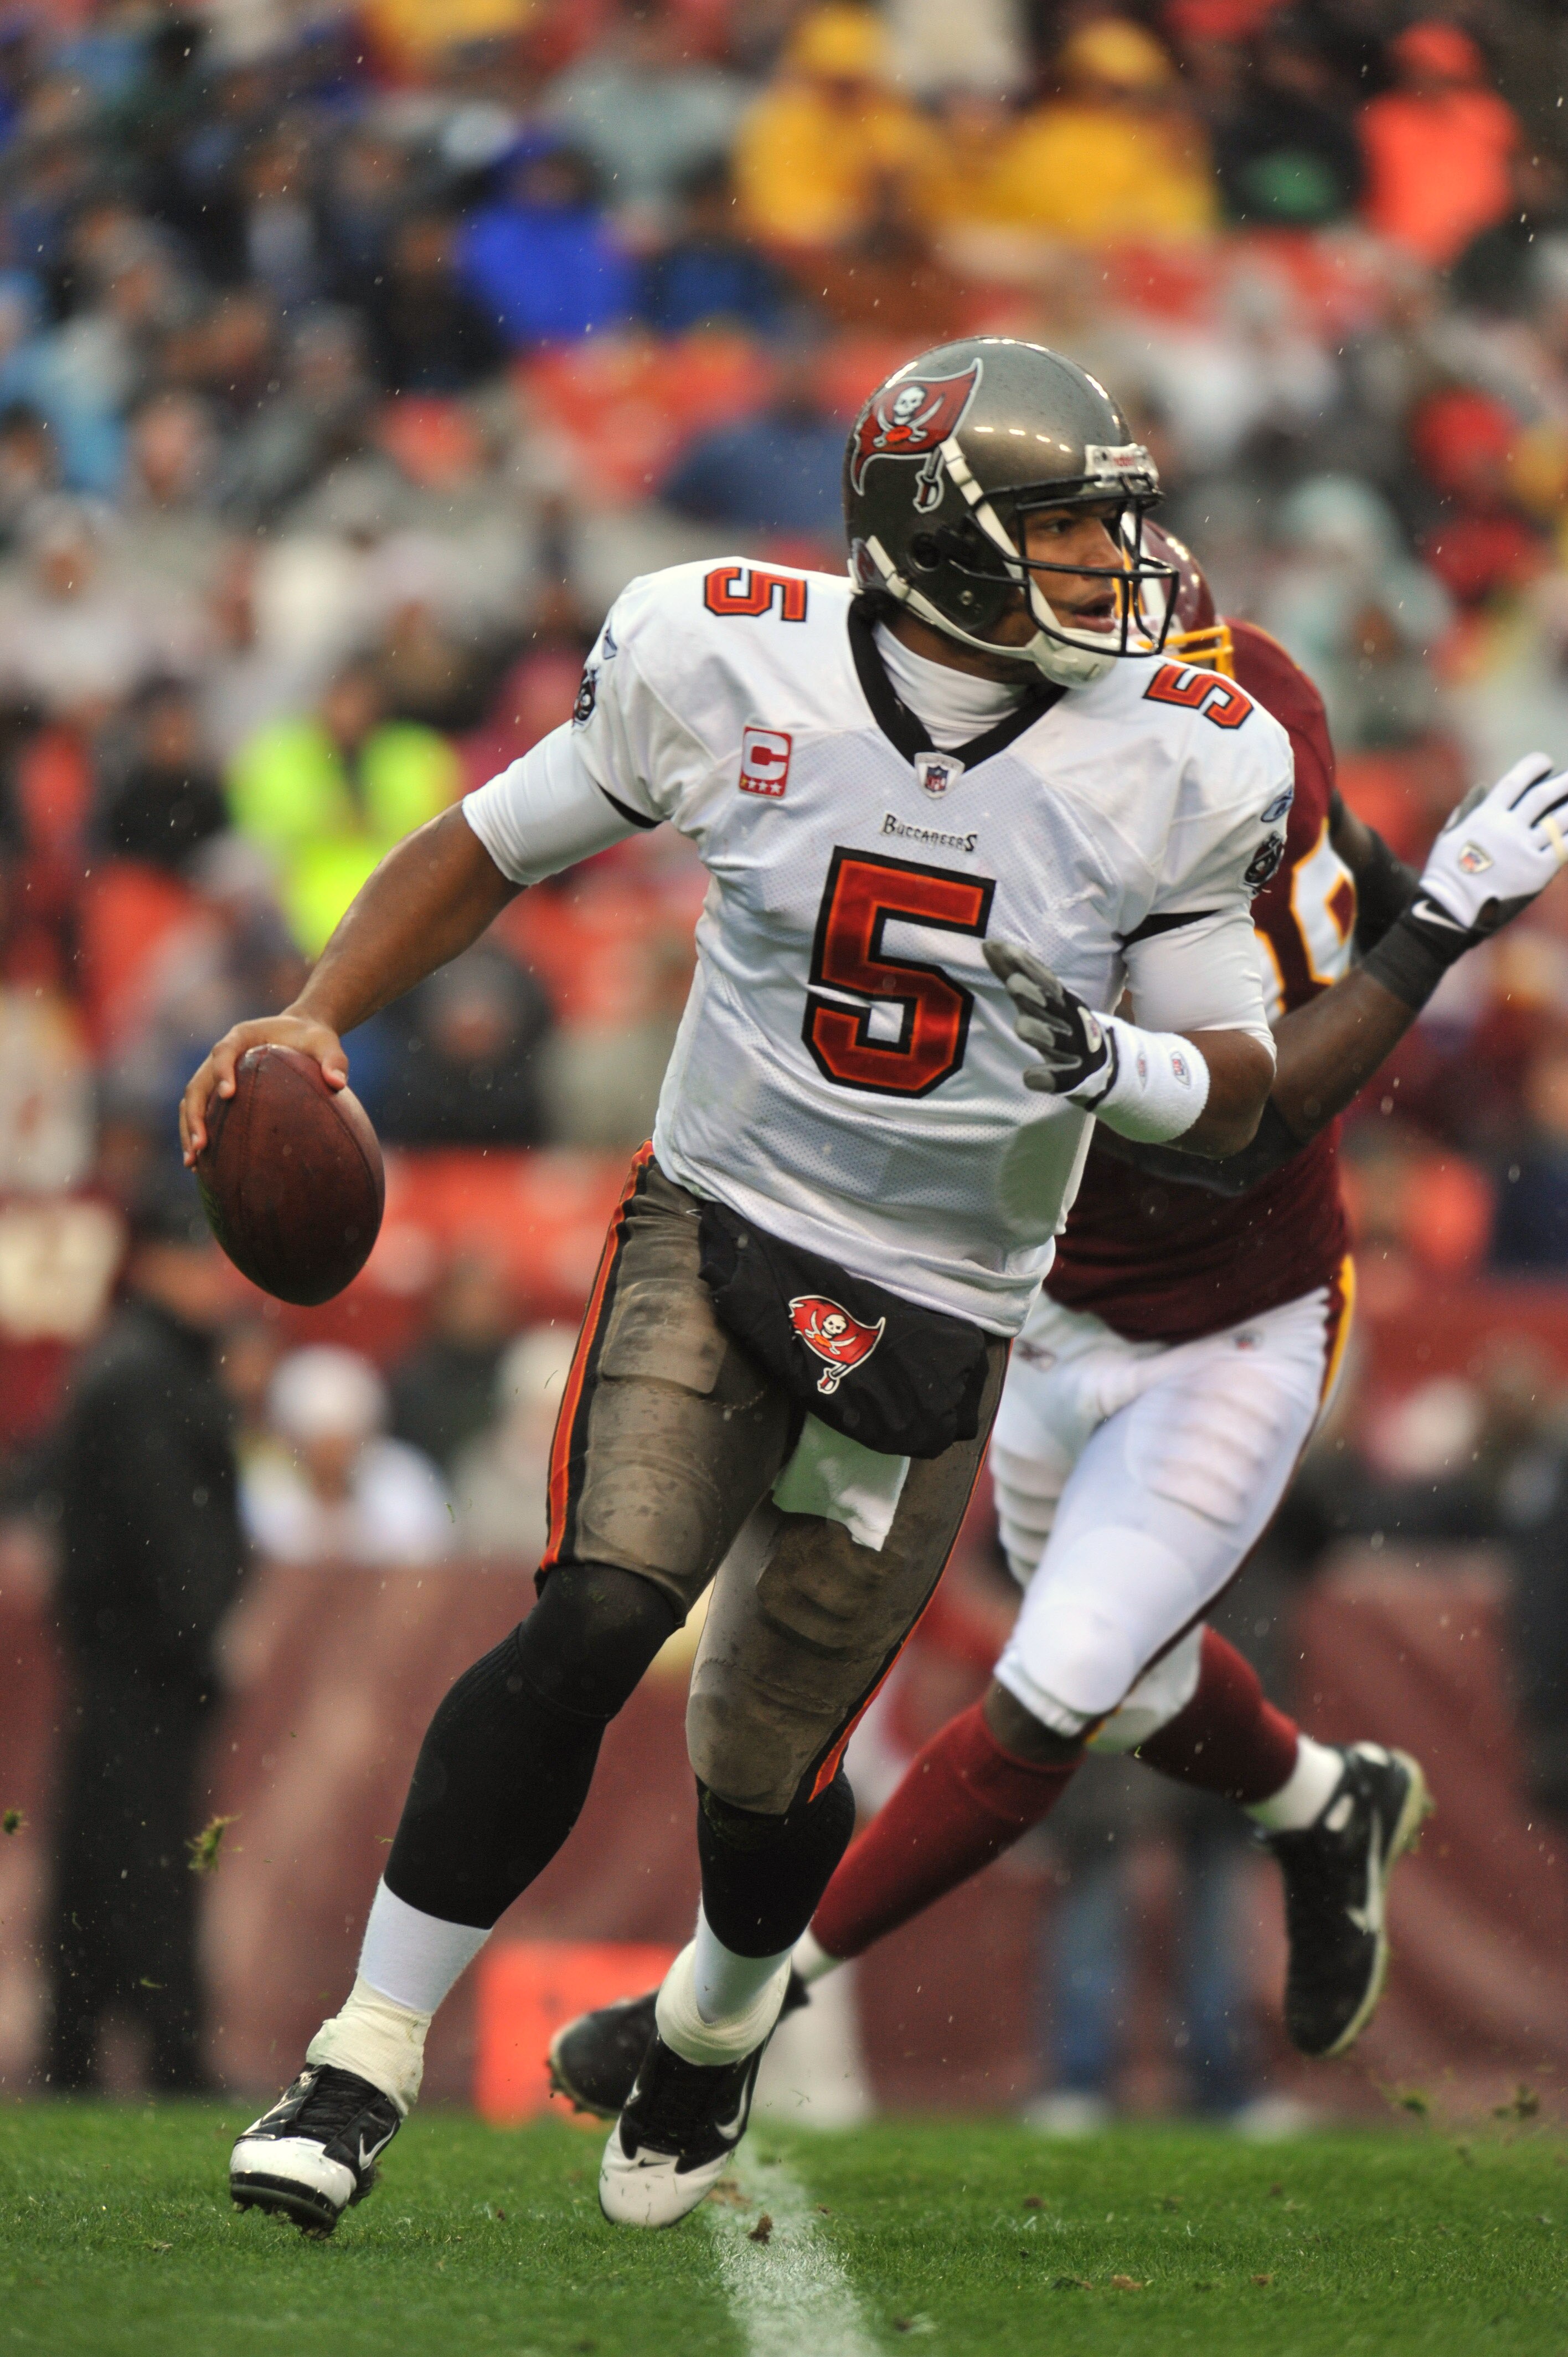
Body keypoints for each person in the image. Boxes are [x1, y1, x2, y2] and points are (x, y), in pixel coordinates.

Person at [187, 334, 1291, 2233]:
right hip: (722, 1214)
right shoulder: (727, 651)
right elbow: (487, 841)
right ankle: (361, 2050)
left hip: (949, 1290)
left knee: (763, 1763)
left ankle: (711, 2019)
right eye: (1063, 530)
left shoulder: (1189, 757)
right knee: (600, 1611)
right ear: (936, 545)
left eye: (1114, 527)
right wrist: (317, 1009)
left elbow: (1247, 1086)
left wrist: (1128, 1069)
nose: (1119, 568)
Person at [548, 536, 1568, 2117]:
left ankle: (714, 2022)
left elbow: (1258, 1105)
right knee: (1133, 1683)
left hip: (1240, 1313)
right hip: (1039, 1301)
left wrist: (1427, 918)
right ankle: (1320, 1800)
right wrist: (1428, 921)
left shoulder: (1241, 719)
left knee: (1055, 1685)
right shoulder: (975, 773)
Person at [45, 1183, 243, 2093]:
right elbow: (174, 1539)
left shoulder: (135, 1363)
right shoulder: (149, 1375)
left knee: (103, 1858)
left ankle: (75, 2052)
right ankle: (171, 2056)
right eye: (201, 1258)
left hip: (125, 1659)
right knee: (144, 1860)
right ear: (158, 1263)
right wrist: (199, 1634)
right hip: (145, 1665)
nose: (218, 1280)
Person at [240, 1345, 451, 1570]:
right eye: (321, 1446)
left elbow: (430, 1554)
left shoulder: (405, 1479)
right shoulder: (264, 1483)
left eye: (343, 1443)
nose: (333, 1457)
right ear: (293, 1443)